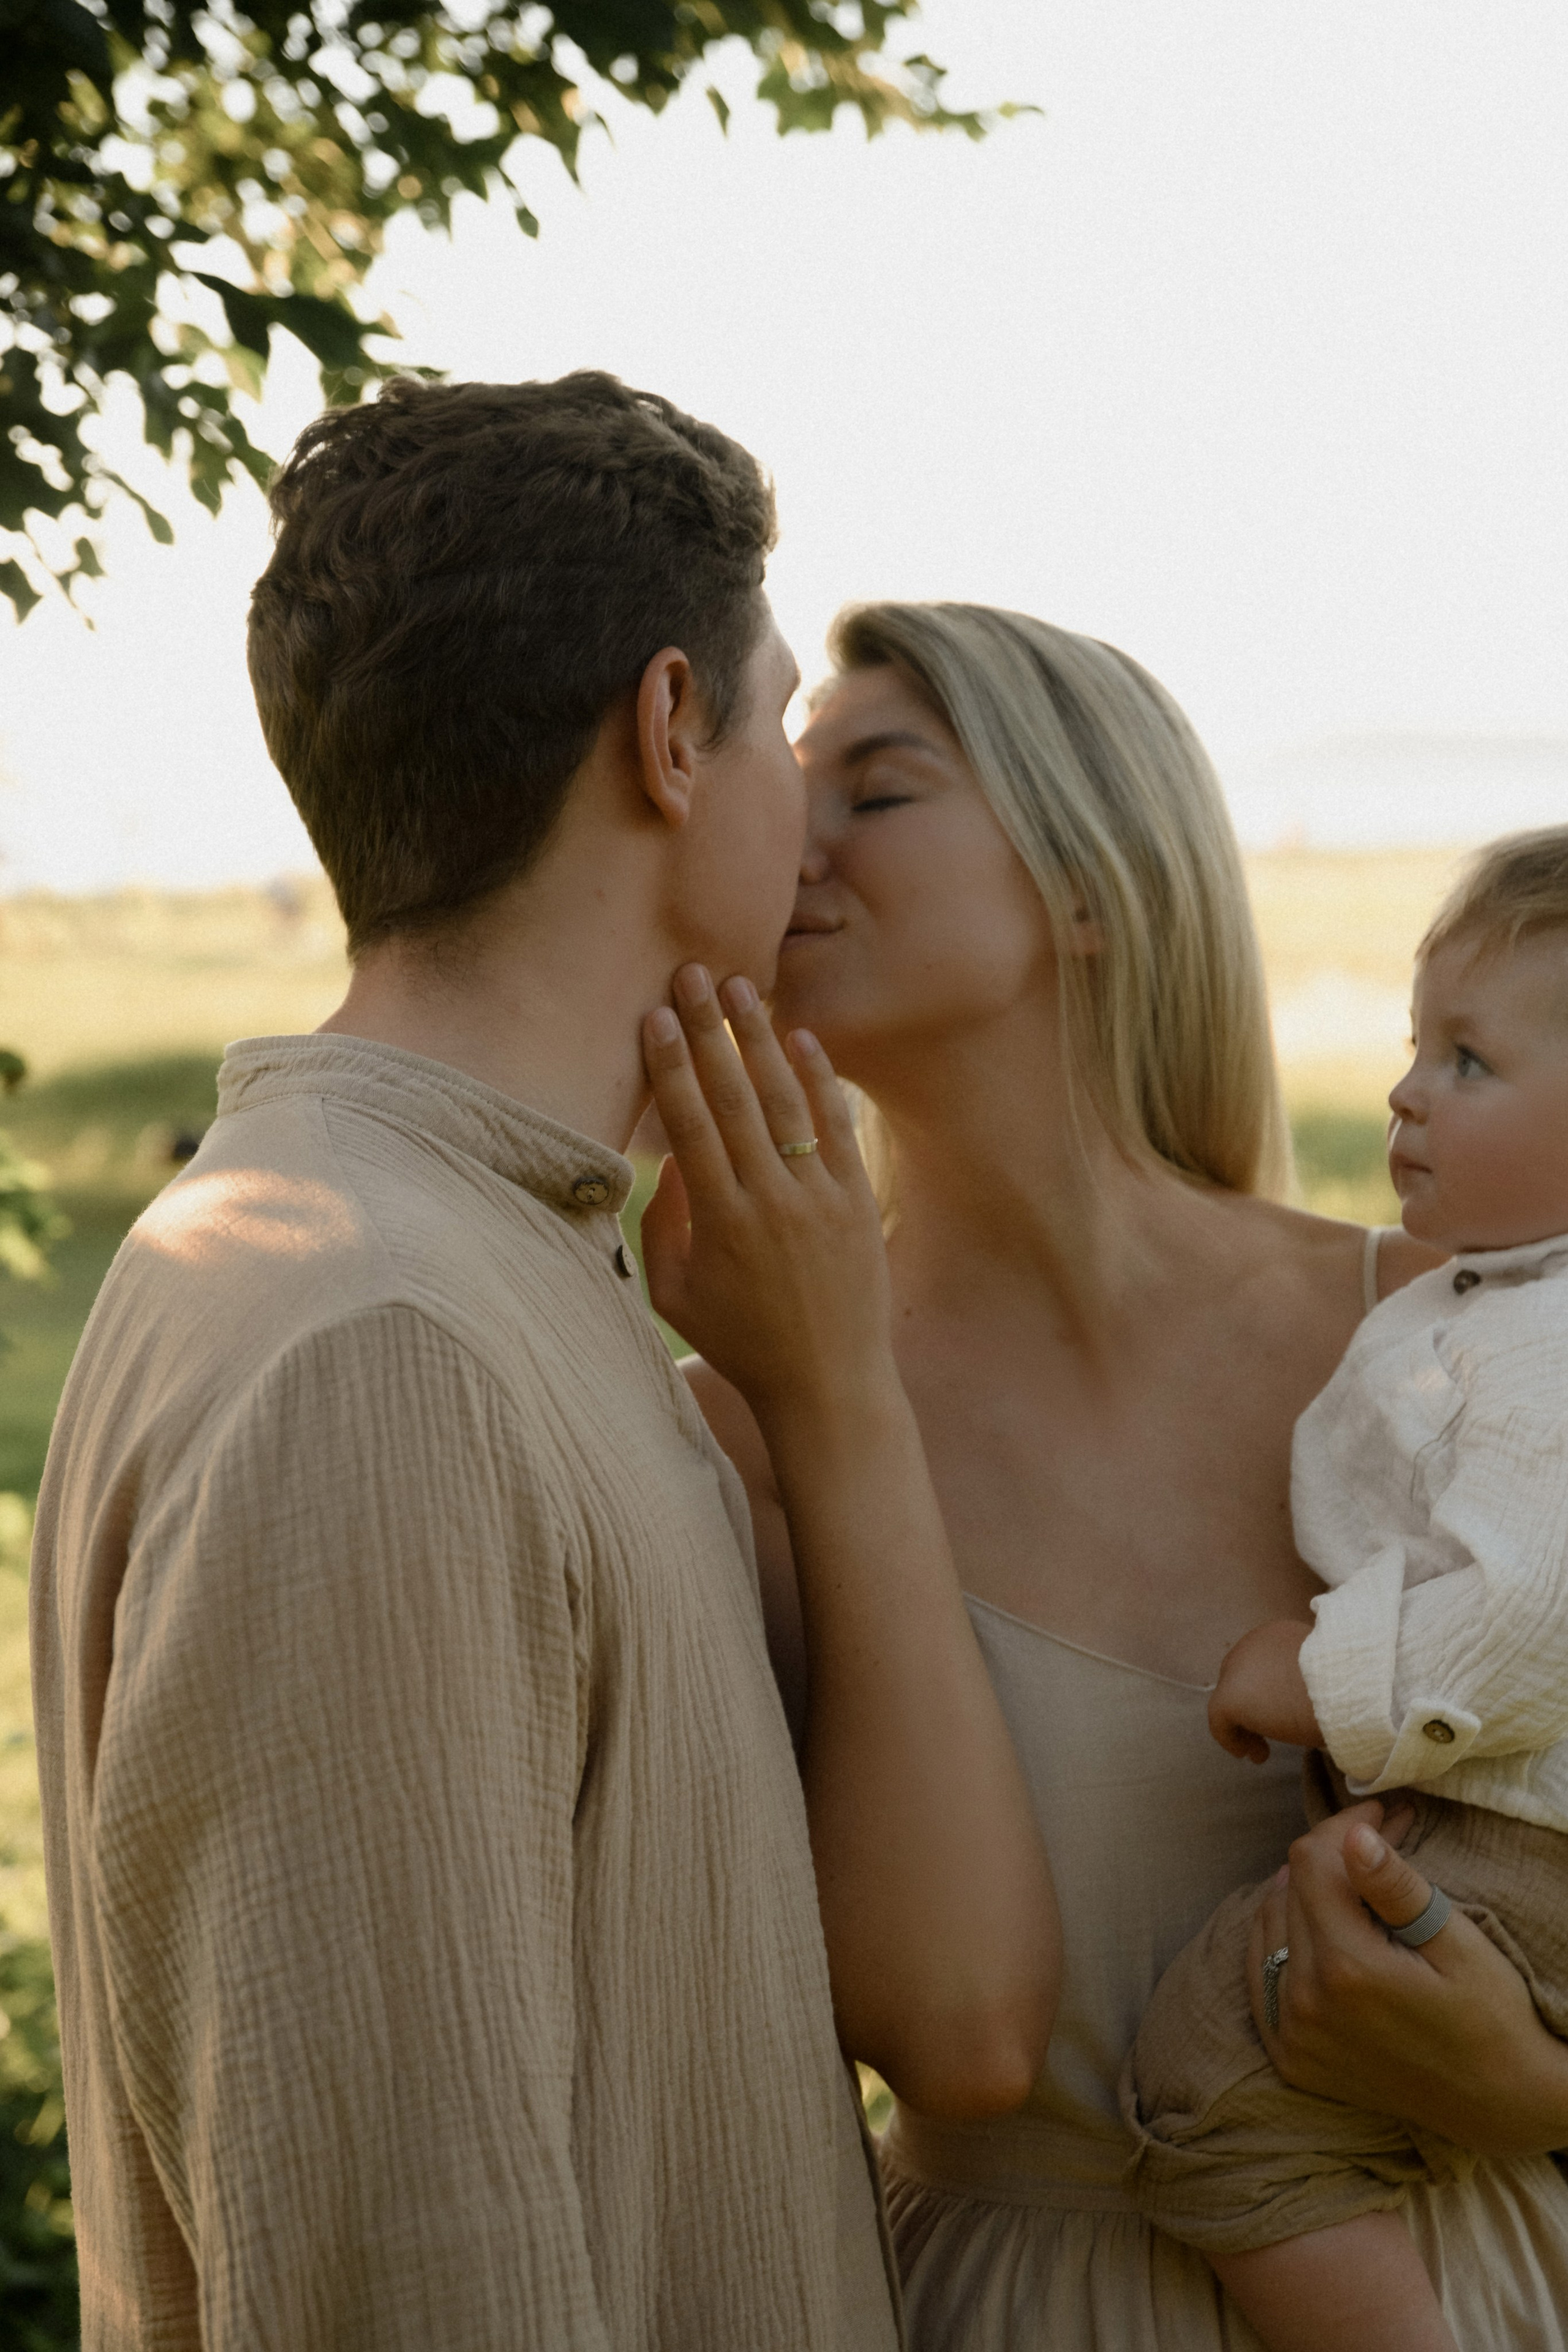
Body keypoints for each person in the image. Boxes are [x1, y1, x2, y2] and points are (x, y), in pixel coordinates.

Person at [29, 381, 1057, 2351]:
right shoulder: (382, 1346)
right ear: (671, 734)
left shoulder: (445, 1254)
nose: (805, 819)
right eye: (771, 730)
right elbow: (406, 2270)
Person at [688, 600, 1568, 2349]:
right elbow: (955, 2038)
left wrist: (1543, 2089)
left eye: (880, 788)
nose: (796, 836)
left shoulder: (1458, 1335)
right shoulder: (745, 1428)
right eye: (789, 786)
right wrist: (841, 1397)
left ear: (1088, 888)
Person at [1123, 826, 1568, 2352]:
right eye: (1412, 1046)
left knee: (1210, 2075)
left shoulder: (1552, 1354)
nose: (1400, 1093)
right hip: (1487, 1822)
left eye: (1466, 1061)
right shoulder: (1499, 1298)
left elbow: (1522, 1621)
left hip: (1521, 1840)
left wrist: (1306, 1672)